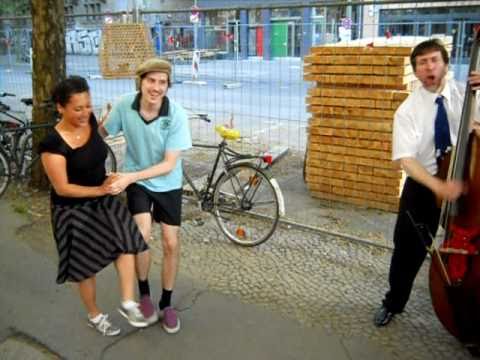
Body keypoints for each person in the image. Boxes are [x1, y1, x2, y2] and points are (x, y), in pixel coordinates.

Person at [373, 39, 480, 327]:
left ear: (445, 64)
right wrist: (438, 187)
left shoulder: (466, 94)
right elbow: (405, 160)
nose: (429, 66)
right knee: (407, 251)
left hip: (468, 181)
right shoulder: (407, 111)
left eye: (434, 60)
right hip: (424, 185)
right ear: (416, 72)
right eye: (422, 63)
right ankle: (394, 302)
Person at [39, 76, 149, 336]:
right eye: (77, 108)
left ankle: (127, 301)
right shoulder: (52, 145)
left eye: (88, 105)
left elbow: (94, 152)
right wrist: (99, 189)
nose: (85, 112)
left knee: (126, 240)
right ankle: (94, 315)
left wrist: (110, 178)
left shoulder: (89, 121)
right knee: (85, 268)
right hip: (71, 210)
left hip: (103, 200)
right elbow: (62, 188)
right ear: (60, 107)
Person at [100, 58, 192, 334]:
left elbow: (168, 164)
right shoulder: (125, 105)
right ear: (140, 81)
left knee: (171, 242)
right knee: (141, 236)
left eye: (162, 82)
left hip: (167, 182)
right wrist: (77, 136)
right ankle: (144, 296)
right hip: (138, 180)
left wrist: (128, 177)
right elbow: (100, 134)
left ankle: (166, 304)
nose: (156, 87)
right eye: (151, 80)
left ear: (168, 86)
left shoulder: (176, 115)